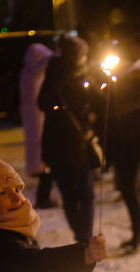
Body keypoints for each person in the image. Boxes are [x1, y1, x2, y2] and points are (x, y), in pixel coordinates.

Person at [38, 34, 103, 245]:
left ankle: (80, 236)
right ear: (79, 55)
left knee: (68, 194)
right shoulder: (83, 77)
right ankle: (85, 236)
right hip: (77, 144)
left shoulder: (53, 75)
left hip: (54, 144)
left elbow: (42, 104)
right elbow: (100, 104)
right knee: (86, 194)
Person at [107, 33, 140, 255]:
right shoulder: (121, 76)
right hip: (122, 140)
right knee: (131, 188)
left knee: (131, 188)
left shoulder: (139, 79)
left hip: (134, 141)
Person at [19, 42, 58, 209]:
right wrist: (57, 56)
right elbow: (45, 64)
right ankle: (43, 198)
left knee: (45, 161)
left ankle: (45, 196)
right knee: (45, 162)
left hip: (35, 120)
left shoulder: (27, 72)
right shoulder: (32, 73)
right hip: (38, 122)